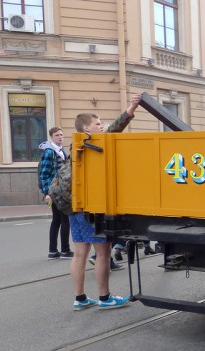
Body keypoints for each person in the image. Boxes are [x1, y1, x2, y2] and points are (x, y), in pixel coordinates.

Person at [69, 94, 141, 311]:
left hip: (73, 204)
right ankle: (105, 297)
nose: (102, 127)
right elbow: (115, 129)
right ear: (86, 128)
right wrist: (132, 107)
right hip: (89, 206)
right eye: (98, 124)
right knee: (103, 251)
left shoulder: (76, 144)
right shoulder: (91, 142)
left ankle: (80, 299)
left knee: (80, 252)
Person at [39, 127, 73, 260]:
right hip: (56, 192)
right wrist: (47, 192)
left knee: (57, 220)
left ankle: (53, 251)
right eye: (57, 135)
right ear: (51, 137)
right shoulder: (49, 152)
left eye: (61, 135)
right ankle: (65, 250)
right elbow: (44, 174)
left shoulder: (60, 151)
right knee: (64, 220)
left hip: (60, 191)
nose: (60, 137)